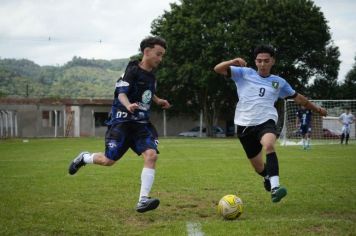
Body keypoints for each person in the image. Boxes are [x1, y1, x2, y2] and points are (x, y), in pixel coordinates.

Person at [68, 36, 171, 213]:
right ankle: (84, 157)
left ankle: (143, 200)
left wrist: (158, 99)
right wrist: (128, 105)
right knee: (108, 160)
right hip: (121, 123)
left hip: (140, 125)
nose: (160, 59)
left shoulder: (152, 77)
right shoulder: (131, 71)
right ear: (147, 52)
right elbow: (121, 93)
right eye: (158, 54)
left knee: (151, 155)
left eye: (162, 55)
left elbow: (148, 92)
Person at [214, 45, 327, 203]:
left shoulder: (279, 82)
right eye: (259, 61)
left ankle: (275, 188)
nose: (262, 64)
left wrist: (317, 109)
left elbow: (299, 98)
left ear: (273, 61)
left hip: (266, 121)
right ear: (255, 61)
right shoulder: (244, 73)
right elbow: (217, 69)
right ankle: (267, 177)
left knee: (268, 145)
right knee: (259, 168)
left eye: (266, 61)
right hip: (243, 124)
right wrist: (233, 61)